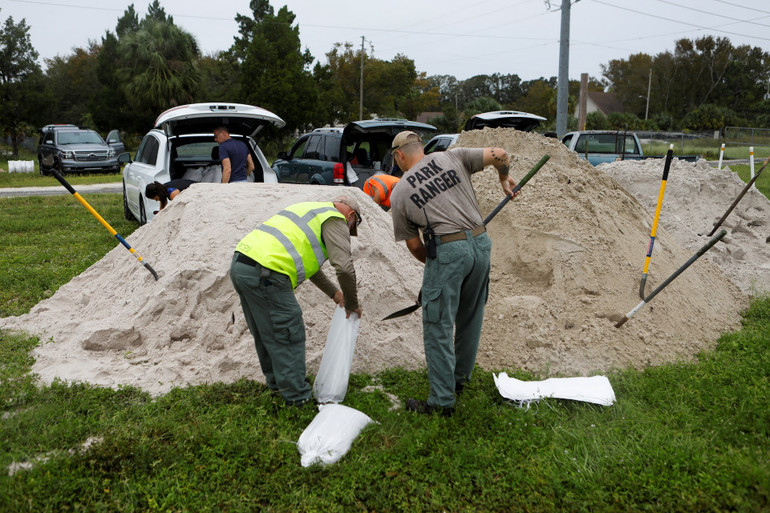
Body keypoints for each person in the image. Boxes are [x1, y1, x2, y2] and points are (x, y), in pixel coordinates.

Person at [388, 130, 517, 417]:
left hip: (448, 250)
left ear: (399, 156)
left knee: (438, 326)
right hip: (481, 244)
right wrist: (503, 179)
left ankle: (442, 401)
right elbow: (500, 154)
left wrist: (436, 268)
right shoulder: (453, 156)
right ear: (421, 148)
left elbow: (413, 245)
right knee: (470, 316)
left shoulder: (400, 192)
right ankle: (459, 380)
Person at [230, 195, 364, 407]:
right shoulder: (335, 219)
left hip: (242, 265)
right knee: (288, 330)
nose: (347, 231)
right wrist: (351, 302)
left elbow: (308, 265)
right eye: (351, 227)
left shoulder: (309, 209)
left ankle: (278, 386)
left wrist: (334, 294)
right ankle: (297, 398)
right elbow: (344, 268)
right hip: (268, 272)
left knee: (266, 331)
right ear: (351, 216)